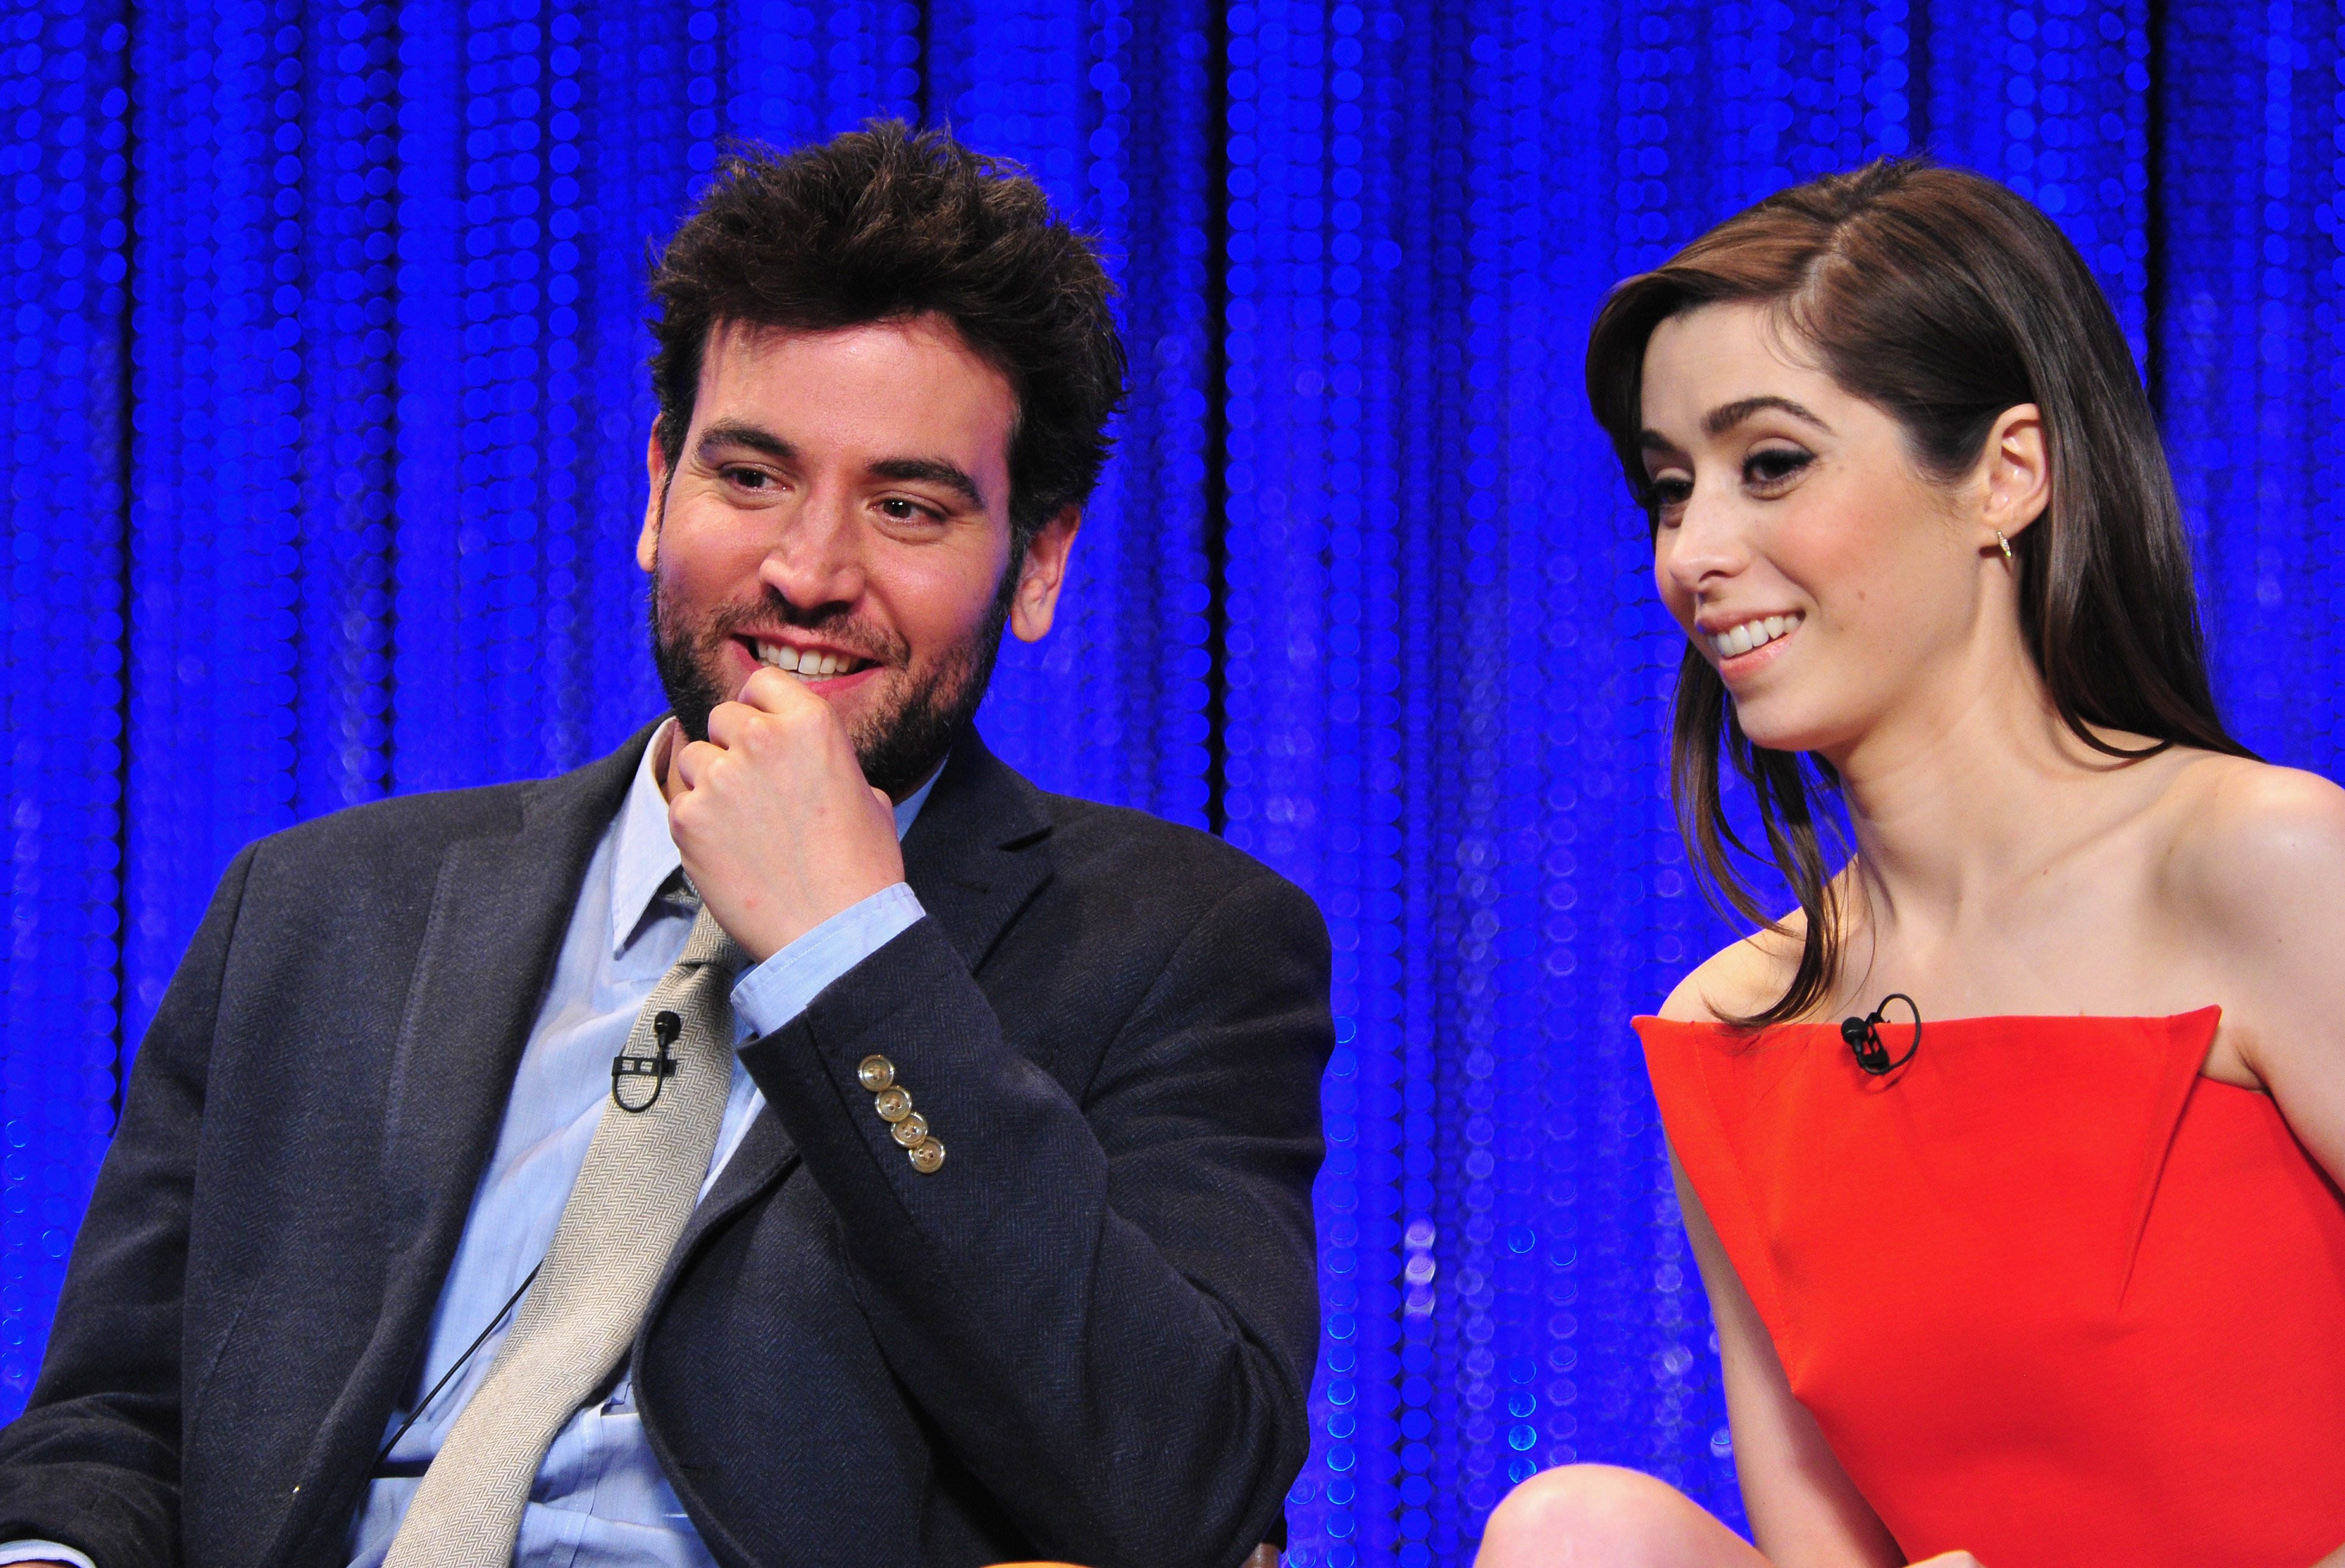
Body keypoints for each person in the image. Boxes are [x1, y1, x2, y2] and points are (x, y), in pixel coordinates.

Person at [0, 125, 1330, 1568]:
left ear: (1042, 557)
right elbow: (111, 1428)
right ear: (655, 489)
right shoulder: (317, 906)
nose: (808, 571)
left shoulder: (1184, 943)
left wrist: (850, 955)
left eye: (905, 506)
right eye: (750, 476)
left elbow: (1180, 1478)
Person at [1476, 160, 2345, 1568]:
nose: (1695, 552)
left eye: (1772, 465)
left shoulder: (2263, 859)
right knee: (1572, 1532)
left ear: (2009, 473)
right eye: (1668, 489)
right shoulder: (1734, 1024)